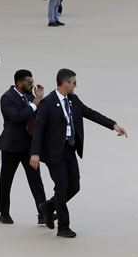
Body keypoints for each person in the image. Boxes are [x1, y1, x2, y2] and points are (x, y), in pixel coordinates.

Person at [29, 68, 127, 238]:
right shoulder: (48, 103)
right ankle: (63, 227)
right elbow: (39, 129)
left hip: (69, 150)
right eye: (74, 82)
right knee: (61, 188)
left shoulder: (73, 100)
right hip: (54, 153)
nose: (76, 85)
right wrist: (35, 153)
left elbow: (90, 113)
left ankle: (47, 207)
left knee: (74, 186)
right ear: (65, 83)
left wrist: (113, 125)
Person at [0, 70, 47, 225]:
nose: (32, 85)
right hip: (11, 146)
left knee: (36, 180)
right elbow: (17, 117)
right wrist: (35, 102)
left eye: (32, 82)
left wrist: (40, 99)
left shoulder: (32, 97)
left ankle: (43, 214)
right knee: (6, 181)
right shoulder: (7, 98)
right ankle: (4, 213)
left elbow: (39, 114)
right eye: (28, 82)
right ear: (19, 83)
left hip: (28, 147)